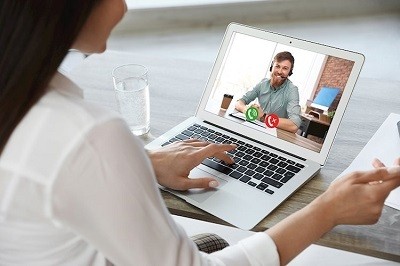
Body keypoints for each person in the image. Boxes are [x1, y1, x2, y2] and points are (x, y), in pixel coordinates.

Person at [0, 1, 400, 265]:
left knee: (212, 238)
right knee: (216, 243)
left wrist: (142, 161)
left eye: (284, 68)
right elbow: (244, 105)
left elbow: (291, 124)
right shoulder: (89, 137)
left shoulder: (22, 102)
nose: (122, 5)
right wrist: (328, 209)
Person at [235, 51, 301, 133]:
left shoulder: (292, 90)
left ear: (290, 72)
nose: (280, 71)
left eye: (285, 68)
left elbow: (294, 125)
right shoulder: (263, 83)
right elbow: (239, 102)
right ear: (272, 66)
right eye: (277, 66)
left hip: (276, 134)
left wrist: (263, 117)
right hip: (257, 129)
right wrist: (249, 111)